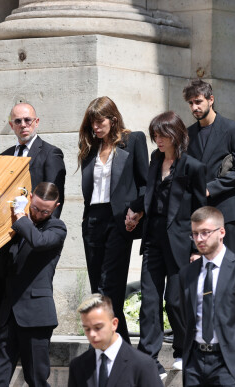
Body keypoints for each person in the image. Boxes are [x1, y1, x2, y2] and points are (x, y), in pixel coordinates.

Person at [134, 111, 206, 377]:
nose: (157, 140)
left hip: (180, 243)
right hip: (153, 239)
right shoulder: (155, 160)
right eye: (155, 135)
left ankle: (183, 351)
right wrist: (135, 211)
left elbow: (200, 211)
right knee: (149, 301)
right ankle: (148, 359)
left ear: (175, 135)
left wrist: (197, 249)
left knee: (175, 301)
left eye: (162, 135)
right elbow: (149, 196)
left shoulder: (193, 167)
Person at [78, 96, 148, 343]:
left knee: (111, 286)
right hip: (93, 221)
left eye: (99, 122)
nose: (95, 128)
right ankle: (120, 344)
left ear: (113, 119)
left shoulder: (133, 140)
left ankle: (115, 346)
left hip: (119, 219)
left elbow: (144, 183)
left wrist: (137, 211)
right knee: (99, 288)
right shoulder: (90, 149)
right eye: (92, 124)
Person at [179, 206, 235, 386]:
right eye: (195, 234)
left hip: (229, 363)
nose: (199, 239)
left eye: (205, 232)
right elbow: (186, 315)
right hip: (194, 363)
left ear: (221, 232)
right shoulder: (187, 273)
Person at [0, 182, 67, 387]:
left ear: (55, 207)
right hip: (8, 313)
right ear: (30, 198)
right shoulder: (17, 226)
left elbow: (38, 241)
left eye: (45, 211)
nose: (39, 214)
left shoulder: (56, 227)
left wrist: (21, 215)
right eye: (35, 208)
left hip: (36, 315)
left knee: (36, 378)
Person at [183, 79, 235, 255]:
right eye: (191, 103)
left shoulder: (232, 129)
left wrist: (210, 188)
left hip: (227, 208)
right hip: (199, 211)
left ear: (210, 99)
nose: (194, 107)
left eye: (198, 101)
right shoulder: (188, 134)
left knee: (231, 265)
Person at [68, 294, 163, 387]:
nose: (92, 334)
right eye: (87, 329)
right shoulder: (78, 366)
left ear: (114, 324)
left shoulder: (142, 364)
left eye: (98, 327)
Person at [1, 102, 66, 218]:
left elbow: (55, 197)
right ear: (11, 125)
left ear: (36, 122)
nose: (23, 125)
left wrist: (47, 232)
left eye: (27, 120)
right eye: (17, 121)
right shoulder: (3, 156)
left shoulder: (51, 153)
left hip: (36, 228)